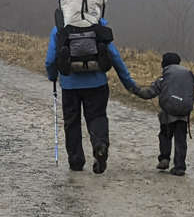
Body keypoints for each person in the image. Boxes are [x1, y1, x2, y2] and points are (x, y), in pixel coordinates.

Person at [45, 11, 137, 174]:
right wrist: (129, 83)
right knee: (97, 116)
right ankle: (99, 145)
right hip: (97, 84)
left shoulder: (60, 29)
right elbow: (114, 56)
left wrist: (53, 76)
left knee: (72, 121)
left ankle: (76, 161)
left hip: (69, 85)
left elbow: (51, 60)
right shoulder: (98, 27)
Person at [129, 52, 194, 176]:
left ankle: (164, 158)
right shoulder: (188, 74)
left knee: (165, 135)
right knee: (181, 140)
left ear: (164, 64)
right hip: (183, 114)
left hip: (168, 114)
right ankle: (180, 166)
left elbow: (149, 93)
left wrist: (135, 89)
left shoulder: (164, 77)